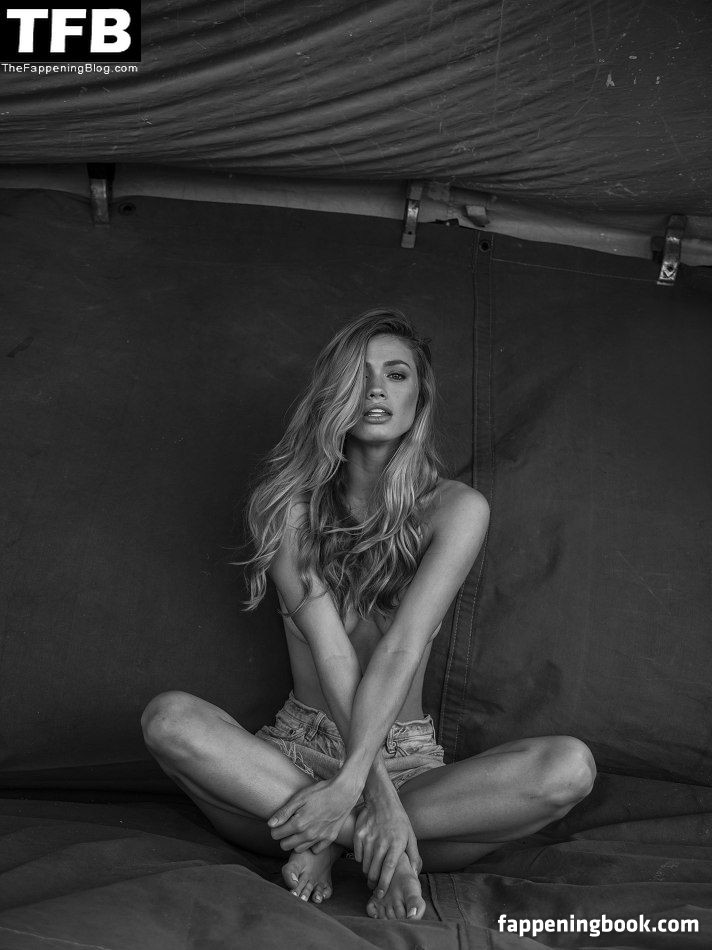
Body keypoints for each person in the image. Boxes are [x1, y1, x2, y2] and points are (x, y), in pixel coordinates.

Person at [141, 309, 596, 921]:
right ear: (333, 393)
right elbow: (329, 649)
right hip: (289, 766)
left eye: (396, 374)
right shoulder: (287, 507)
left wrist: (360, 783)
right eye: (359, 375)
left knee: (568, 768)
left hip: (409, 769)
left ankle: (333, 837)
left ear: (419, 397)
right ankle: (371, 842)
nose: (376, 390)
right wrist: (361, 796)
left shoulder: (456, 509)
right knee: (169, 719)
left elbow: (403, 646)